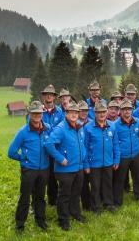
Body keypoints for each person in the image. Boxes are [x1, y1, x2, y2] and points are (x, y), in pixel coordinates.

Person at [45, 102, 89, 231]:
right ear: (66, 114)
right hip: (65, 169)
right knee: (64, 195)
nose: (74, 115)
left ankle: (75, 213)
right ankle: (63, 220)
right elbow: (48, 144)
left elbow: (82, 146)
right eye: (71, 113)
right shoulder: (61, 128)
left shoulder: (79, 127)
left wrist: (84, 160)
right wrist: (60, 158)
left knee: (76, 193)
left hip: (78, 167)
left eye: (76, 113)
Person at [8, 101, 51, 233]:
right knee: (25, 198)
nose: (37, 115)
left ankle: (40, 221)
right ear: (30, 114)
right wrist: (24, 158)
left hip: (44, 169)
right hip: (29, 170)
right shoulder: (23, 132)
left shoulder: (48, 128)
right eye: (34, 113)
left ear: (42, 114)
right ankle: (20, 225)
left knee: (40, 197)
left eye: (39, 113)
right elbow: (11, 152)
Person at [84, 102, 120, 214]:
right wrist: (86, 164)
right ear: (94, 113)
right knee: (95, 186)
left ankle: (108, 203)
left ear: (107, 112)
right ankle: (96, 206)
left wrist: (116, 159)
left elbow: (116, 144)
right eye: (99, 112)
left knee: (108, 184)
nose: (101, 114)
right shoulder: (88, 128)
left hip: (108, 162)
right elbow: (84, 147)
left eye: (104, 112)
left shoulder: (112, 126)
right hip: (94, 163)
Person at [113, 99, 139, 205]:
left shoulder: (138, 122)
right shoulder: (115, 125)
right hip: (123, 156)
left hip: (136, 154)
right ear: (120, 111)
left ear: (132, 110)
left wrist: (137, 149)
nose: (127, 111)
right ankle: (117, 201)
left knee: (137, 177)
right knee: (119, 179)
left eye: (129, 109)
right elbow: (115, 142)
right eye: (124, 109)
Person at [40, 85, 64, 206]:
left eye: (51, 94)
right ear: (43, 96)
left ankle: (53, 200)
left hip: (56, 148)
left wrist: (48, 130)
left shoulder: (60, 112)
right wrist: (53, 131)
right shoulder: (37, 111)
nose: (49, 96)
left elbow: (62, 129)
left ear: (54, 97)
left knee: (55, 175)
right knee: (42, 176)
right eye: (46, 94)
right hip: (42, 150)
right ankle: (37, 202)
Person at [77, 100, 92, 211]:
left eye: (86, 110)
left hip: (93, 157)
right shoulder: (74, 123)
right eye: (81, 110)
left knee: (95, 181)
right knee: (82, 183)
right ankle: (85, 205)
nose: (83, 112)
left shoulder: (92, 122)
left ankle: (95, 202)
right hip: (80, 158)